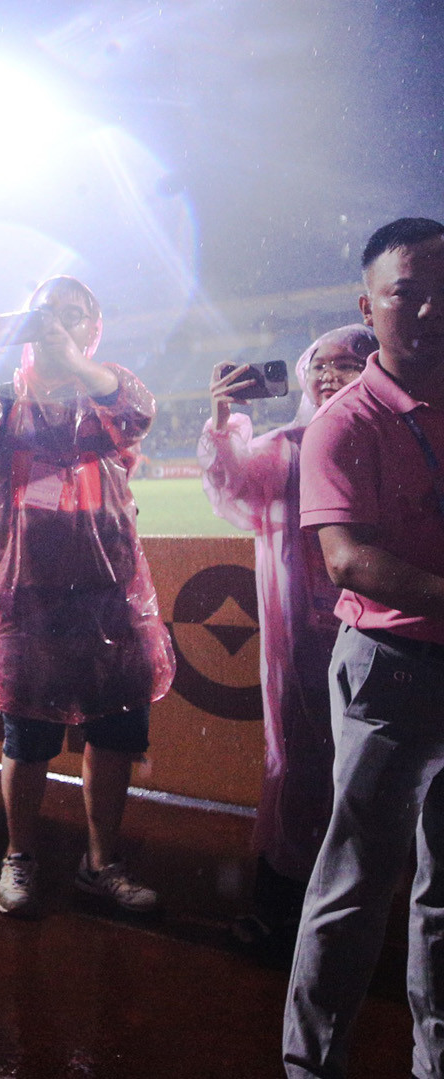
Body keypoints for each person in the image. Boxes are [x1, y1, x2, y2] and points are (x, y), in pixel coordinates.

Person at [0, 276, 175, 919]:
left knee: (114, 733)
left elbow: (140, 413)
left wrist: (72, 360)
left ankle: (102, 863)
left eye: (74, 315)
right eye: (46, 313)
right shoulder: (1, 397)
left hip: (109, 596)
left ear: (94, 330)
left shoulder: (108, 391)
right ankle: (19, 857)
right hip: (28, 601)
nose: (58, 325)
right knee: (27, 739)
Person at [284, 218, 444, 1079]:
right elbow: (347, 558)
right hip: (391, 672)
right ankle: (311, 1065)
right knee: (354, 886)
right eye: (405, 293)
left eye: (442, 292)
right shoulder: (345, 422)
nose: (428, 309)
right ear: (367, 305)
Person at [198, 325, 378, 955]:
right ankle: (288, 918)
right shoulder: (289, 450)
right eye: (319, 365)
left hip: (382, 635)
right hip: (303, 642)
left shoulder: (394, 441)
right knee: (302, 765)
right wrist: (225, 419)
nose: (329, 375)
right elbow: (232, 485)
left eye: (348, 363)